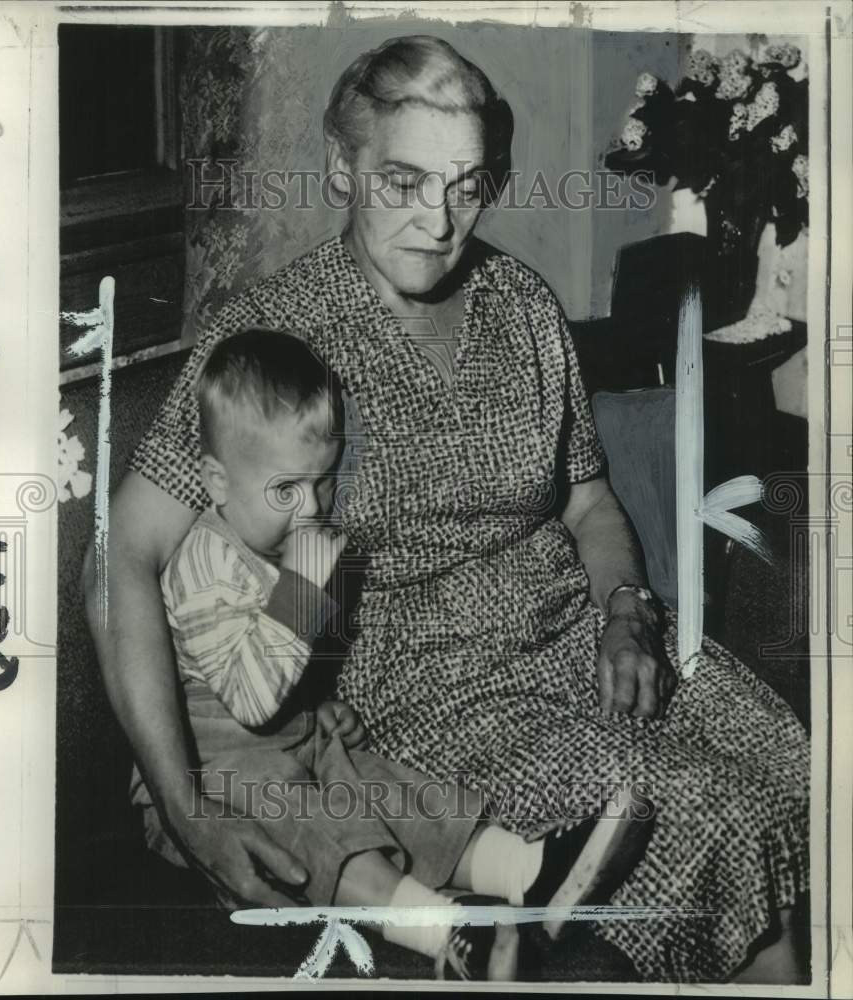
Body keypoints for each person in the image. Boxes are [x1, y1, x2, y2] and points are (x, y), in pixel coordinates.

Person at [86, 34, 809, 983]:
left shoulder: (523, 304)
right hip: (428, 703)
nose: (438, 219)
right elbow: (118, 564)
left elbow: (588, 502)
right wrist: (187, 805)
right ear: (344, 167)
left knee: (797, 762)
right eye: (404, 181)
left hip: (580, 644)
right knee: (708, 812)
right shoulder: (267, 342)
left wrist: (626, 613)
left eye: (465, 186)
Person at [130, 327, 652, 980]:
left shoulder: (269, 540)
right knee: (318, 824)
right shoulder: (206, 561)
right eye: (285, 490)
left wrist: (321, 712)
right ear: (215, 480)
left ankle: (524, 869)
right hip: (216, 777)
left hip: (285, 748)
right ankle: (450, 937)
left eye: (322, 484)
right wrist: (304, 585)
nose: (311, 510)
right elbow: (248, 697)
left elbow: (281, 689)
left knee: (389, 788)